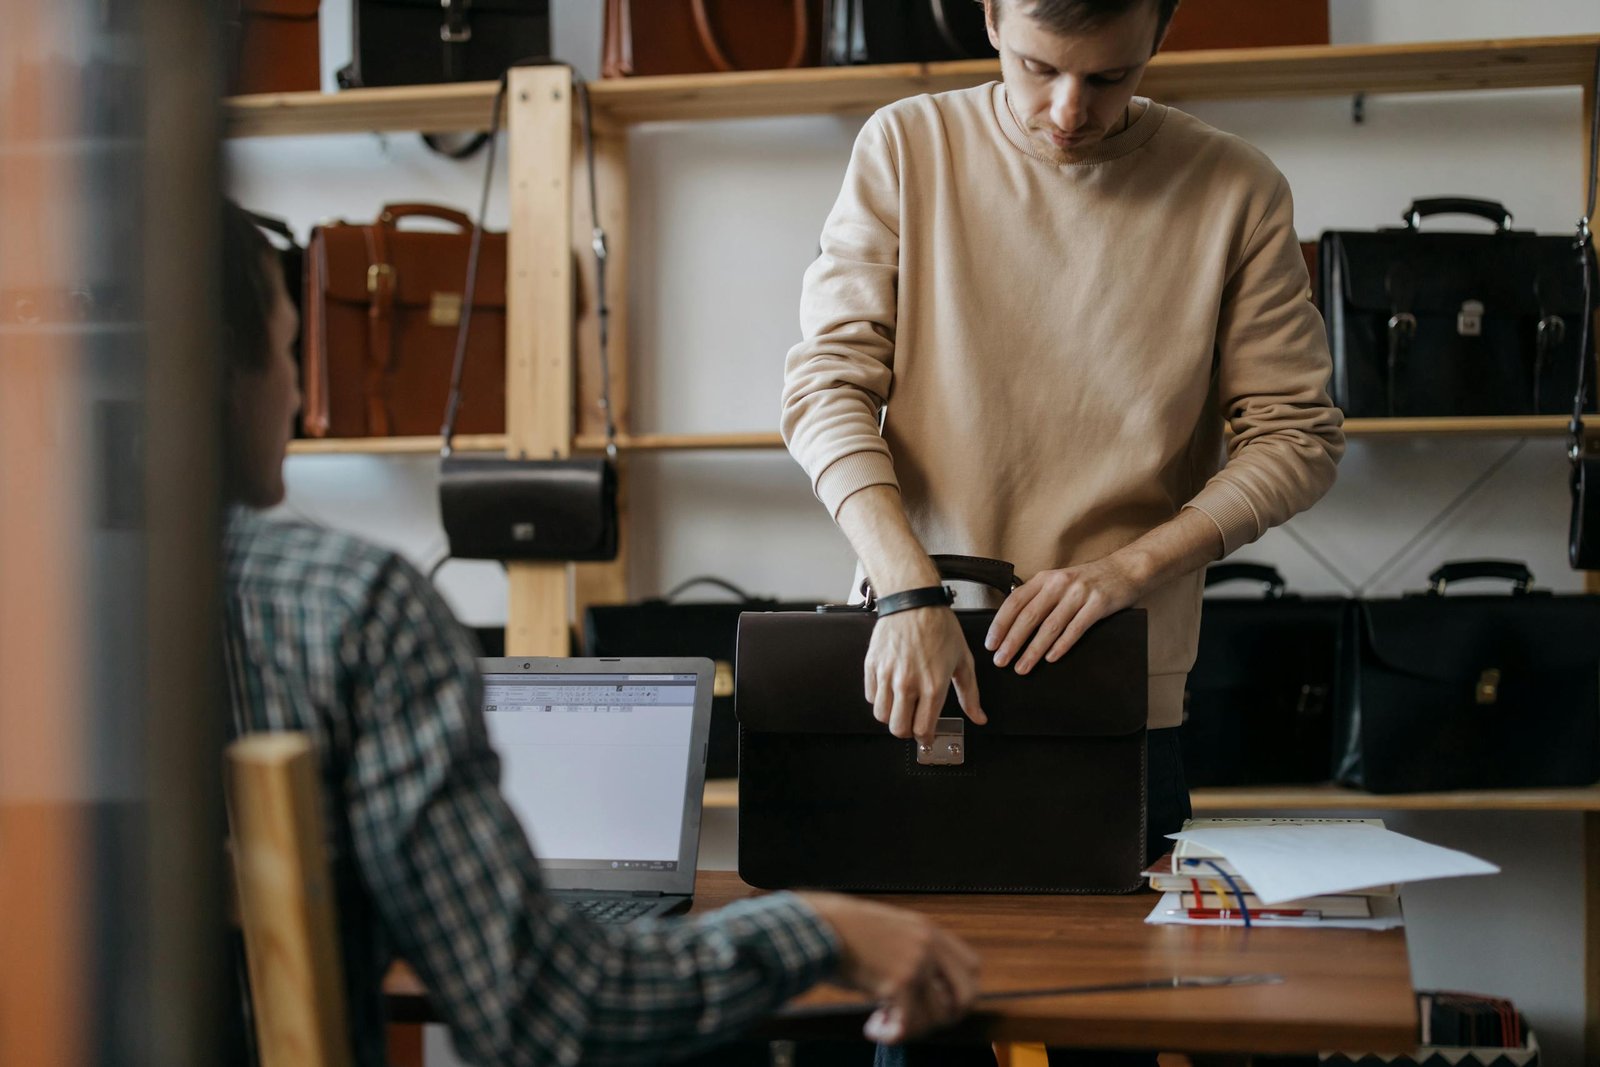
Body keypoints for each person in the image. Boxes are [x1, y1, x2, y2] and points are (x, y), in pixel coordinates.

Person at [217, 200, 980, 1067]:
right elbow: (546, 1007)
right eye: (287, 354)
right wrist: (820, 924)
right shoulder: (352, 608)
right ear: (222, 376)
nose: (299, 394)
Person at [782, 0, 1343, 854]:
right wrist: (906, 587)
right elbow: (825, 388)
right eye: (1041, 69)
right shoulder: (905, 146)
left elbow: (1297, 436)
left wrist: (1129, 570)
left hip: (1119, 689)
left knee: (1123, 984)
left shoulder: (1238, 189)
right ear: (992, 20)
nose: (1070, 112)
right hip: (918, 659)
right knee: (906, 976)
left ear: (1158, 37)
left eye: (1110, 77)